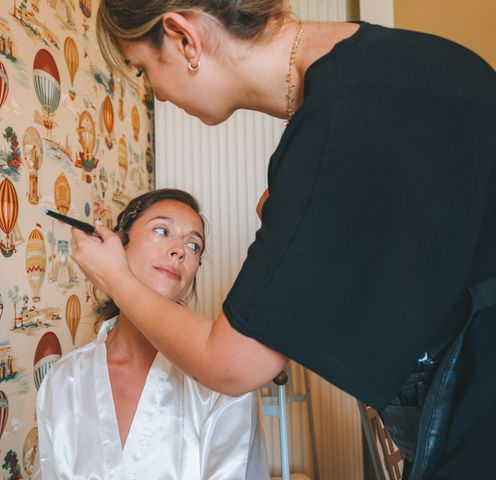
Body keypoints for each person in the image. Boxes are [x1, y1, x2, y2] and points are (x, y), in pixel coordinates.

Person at [72, 1, 496, 478]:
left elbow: (232, 365)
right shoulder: (403, 65)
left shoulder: (336, 124)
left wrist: (115, 276)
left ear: (183, 38)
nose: (160, 96)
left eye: (145, 72)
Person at [35, 189, 269, 479]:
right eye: (162, 230)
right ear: (118, 244)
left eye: (194, 246)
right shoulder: (62, 380)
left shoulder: (223, 383)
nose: (180, 251)